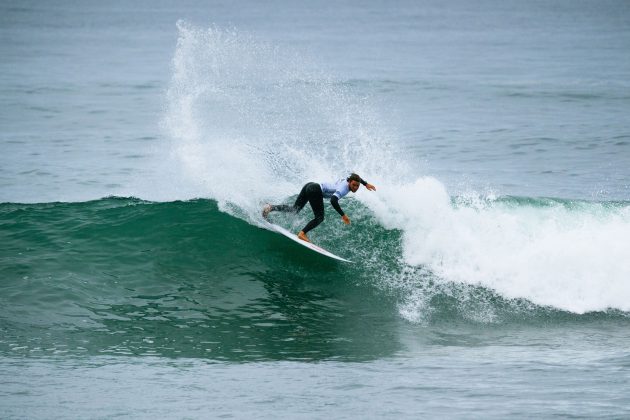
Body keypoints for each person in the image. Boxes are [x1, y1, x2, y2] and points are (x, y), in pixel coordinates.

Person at [262, 173, 376, 242]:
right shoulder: (344, 189)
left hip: (310, 185)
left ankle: (270, 208)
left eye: (357, 185)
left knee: (294, 209)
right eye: (354, 185)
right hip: (315, 190)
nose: (356, 187)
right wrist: (343, 215)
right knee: (320, 217)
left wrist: (365, 184)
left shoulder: (348, 179)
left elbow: (356, 176)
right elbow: (333, 200)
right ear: (349, 182)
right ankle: (302, 233)